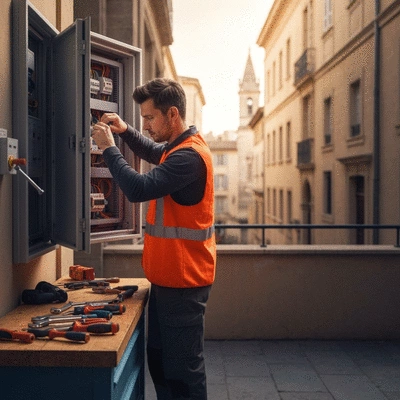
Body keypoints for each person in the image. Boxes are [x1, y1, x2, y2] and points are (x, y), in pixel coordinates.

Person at [91, 77, 216, 400]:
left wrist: (108, 148)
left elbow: (138, 189)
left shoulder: (188, 157)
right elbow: (153, 150)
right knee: (160, 363)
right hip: (168, 281)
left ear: (172, 115)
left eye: (149, 118)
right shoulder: (176, 149)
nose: (145, 124)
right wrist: (126, 131)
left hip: (185, 283)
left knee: (184, 372)